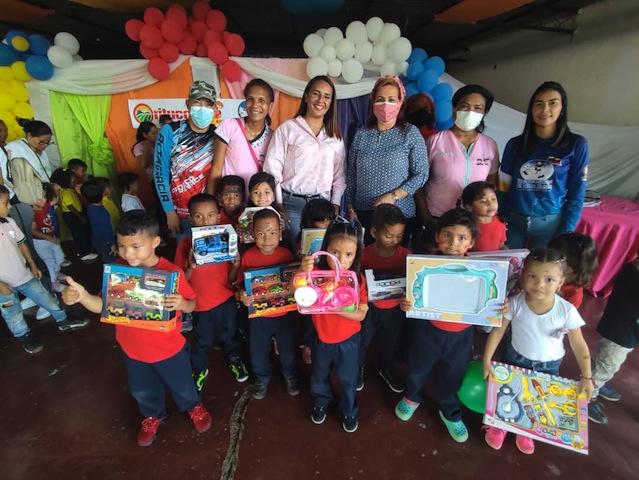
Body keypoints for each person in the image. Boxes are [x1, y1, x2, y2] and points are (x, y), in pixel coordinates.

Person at [61, 210, 212, 447]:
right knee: (142, 390)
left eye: (135, 246)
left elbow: (194, 304)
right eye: (121, 246)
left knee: (183, 385)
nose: (127, 253)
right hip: (132, 351)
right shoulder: (119, 273)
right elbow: (102, 306)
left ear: (155, 242)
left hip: (169, 350)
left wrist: (183, 303)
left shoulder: (173, 274)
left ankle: (193, 406)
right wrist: (82, 296)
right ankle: (153, 415)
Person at [482, 248, 593, 454]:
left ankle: (527, 430)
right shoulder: (515, 303)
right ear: (523, 276)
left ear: (560, 282)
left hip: (548, 366)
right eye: (532, 276)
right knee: (509, 395)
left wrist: (586, 376)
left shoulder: (566, 310)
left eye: (549, 279)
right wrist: (487, 360)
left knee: (536, 401)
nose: (540, 284)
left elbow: (579, 345)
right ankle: (500, 425)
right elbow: (498, 333)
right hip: (514, 358)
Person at [395, 208, 480, 443]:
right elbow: (413, 295)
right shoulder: (424, 266)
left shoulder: (480, 271)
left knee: (454, 375)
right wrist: (407, 303)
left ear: (471, 242)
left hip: (461, 335)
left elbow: (487, 302)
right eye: (448, 235)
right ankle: (412, 396)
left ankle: (450, 411)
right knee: (417, 367)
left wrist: (496, 307)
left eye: (462, 238)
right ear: (437, 237)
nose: (454, 243)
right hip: (428, 330)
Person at [499, 81, 589, 249]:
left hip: (550, 226)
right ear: (531, 109)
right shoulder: (515, 144)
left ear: (562, 108)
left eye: (552, 103)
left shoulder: (576, 144)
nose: (545, 110)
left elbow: (578, 192)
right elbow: (503, 185)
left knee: (540, 272)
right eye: (539, 104)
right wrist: (500, 218)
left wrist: (566, 230)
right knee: (509, 271)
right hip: (512, 222)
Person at [0, 185, 89, 354]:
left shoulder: (9, 222)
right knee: (12, 313)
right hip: (2, 286)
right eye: (6, 203)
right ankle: (24, 335)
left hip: (24, 275)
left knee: (46, 298)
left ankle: (63, 320)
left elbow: (22, 245)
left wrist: (32, 265)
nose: (10, 206)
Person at [173, 193, 248, 390]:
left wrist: (235, 265)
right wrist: (190, 267)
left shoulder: (226, 241)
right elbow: (180, 282)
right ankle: (199, 369)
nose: (206, 221)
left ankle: (234, 360)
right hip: (199, 305)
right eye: (199, 216)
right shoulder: (185, 245)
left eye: (211, 215)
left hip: (226, 300)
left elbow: (231, 280)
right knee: (202, 340)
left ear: (219, 216)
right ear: (190, 218)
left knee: (230, 334)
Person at [300, 220, 368, 433]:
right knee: (319, 376)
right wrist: (303, 272)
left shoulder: (357, 279)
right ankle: (321, 402)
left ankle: (349, 410)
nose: (341, 260)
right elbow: (299, 291)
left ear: (357, 253)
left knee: (348, 380)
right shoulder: (316, 276)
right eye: (335, 253)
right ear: (325, 250)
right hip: (322, 340)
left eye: (349, 254)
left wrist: (338, 308)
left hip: (349, 343)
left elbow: (361, 314)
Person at [345, 75, 428, 246]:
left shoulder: (410, 133)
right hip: (364, 215)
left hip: (399, 214)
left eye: (391, 100)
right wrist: (350, 207)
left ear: (400, 103)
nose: (385, 105)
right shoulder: (362, 133)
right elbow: (351, 175)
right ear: (372, 102)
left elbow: (422, 174)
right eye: (380, 99)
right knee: (366, 263)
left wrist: (394, 196)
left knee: (395, 265)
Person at [415, 84, 499, 251]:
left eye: (478, 108)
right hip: (438, 219)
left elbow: (492, 185)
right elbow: (418, 182)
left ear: (484, 113)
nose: (470, 112)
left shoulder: (490, 145)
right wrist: (426, 218)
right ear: (454, 108)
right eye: (465, 106)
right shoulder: (435, 141)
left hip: (473, 224)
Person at [263, 75, 346, 243]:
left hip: (322, 205)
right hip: (290, 202)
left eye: (327, 96)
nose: (321, 100)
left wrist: (335, 204)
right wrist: (278, 204)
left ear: (331, 103)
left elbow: (339, 176)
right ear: (307, 96)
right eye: (316, 93)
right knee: (294, 251)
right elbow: (272, 168)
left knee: (317, 252)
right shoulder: (288, 129)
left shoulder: (335, 137)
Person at [237, 208, 301, 399]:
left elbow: (295, 280)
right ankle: (261, 379)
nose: (267, 238)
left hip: (284, 315)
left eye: (272, 232)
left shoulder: (286, 255)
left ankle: (290, 375)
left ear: (280, 233)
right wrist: (242, 295)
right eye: (261, 233)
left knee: (288, 348)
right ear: (252, 233)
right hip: (259, 316)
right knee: (258, 351)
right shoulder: (248, 256)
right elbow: (241, 285)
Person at [154, 80, 218, 238]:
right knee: (183, 255)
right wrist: (169, 212)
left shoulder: (218, 134)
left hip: (208, 214)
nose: (203, 108)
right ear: (188, 104)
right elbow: (159, 172)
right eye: (197, 102)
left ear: (215, 108)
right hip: (179, 212)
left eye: (208, 104)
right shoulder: (170, 131)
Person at [358, 204, 410, 394]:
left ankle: (385, 368)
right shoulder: (364, 255)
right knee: (363, 340)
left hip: (395, 310)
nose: (394, 240)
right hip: (369, 309)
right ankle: (358, 368)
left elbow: (414, 284)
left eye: (399, 236)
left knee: (389, 341)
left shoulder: (406, 256)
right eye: (389, 235)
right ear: (374, 232)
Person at [587, 254, 639, 425]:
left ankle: (597, 383)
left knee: (604, 360)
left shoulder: (630, 270)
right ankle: (587, 397)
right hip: (620, 333)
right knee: (607, 364)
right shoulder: (632, 276)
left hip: (624, 330)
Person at [208, 79, 275, 195]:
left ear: (270, 106)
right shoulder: (229, 126)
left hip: (256, 202)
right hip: (229, 201)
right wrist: (212, 201)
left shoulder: (273, 137)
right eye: (250, 99)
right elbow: (216, 169)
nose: (255, 105)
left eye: (261, 100)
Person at [297, 198, 336, 364]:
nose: (326, 222)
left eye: (329, 219)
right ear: (310, 220)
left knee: (325, 314)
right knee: (308, 317)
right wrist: (300, 256)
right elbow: (297, 261)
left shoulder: (335, 234)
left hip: (328, 282)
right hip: (309, 283)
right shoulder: (302, 237)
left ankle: (321, 344)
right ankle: (308, 346)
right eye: (322, 219)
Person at [32, 183, 66, 292]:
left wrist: (53, 187)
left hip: (52, 238)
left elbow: (55, 198)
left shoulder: (46, 205)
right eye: (39, 199)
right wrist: (50, 239)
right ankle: (53, 283)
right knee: (49, 261)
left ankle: (56, 272)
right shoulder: (32, 213)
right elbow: (33, 231)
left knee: (60, 256)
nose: (43, 200)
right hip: (41, 242)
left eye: (44, 196)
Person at [548, 232, 597, 309]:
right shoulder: (548, 271)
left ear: (572, 268)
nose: (548, 261)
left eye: (554, 258)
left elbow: (564, 317)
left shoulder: (574, 295)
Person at [57, 168, 96, 261]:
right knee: (79, 234)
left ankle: (82, 250)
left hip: (74, 215)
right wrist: (80, 216)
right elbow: (70, 206)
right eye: (73, 180)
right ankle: (84, 253)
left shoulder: (69, 190)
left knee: (80, 233)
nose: (75, 182)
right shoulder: (65, 192)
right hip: (72, 215)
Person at [461, 181, 506, 251]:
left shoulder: (500, 221)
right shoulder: (465, 225)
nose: (491, 204)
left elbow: (501, 245)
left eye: (493, 199)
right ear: (469, 206)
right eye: (484, 201)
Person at [81, 180, 117, 263]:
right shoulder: (102, 212)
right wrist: (112, 243)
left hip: (96, 240)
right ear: (103, 193)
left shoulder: (89, 208)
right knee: (110, 261)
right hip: (105, 242)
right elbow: (107, 229)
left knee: (105, 257)